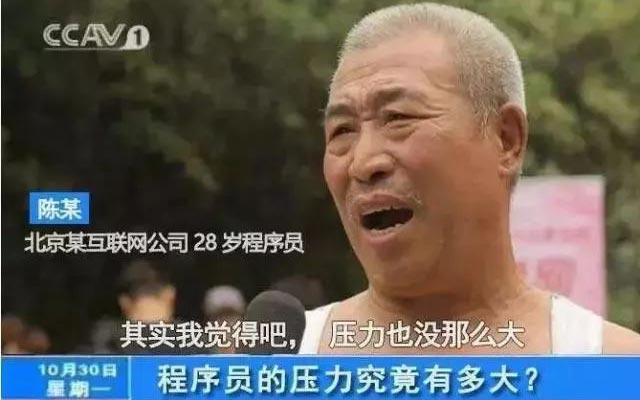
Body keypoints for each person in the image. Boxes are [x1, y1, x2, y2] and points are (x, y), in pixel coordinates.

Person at [301, 2, 640, 354]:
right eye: (342, 130)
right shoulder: (280, 364)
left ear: (506, 139)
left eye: (399, 117)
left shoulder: (613, 365)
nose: (363, 163)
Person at [202, 285, 246, 354]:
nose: (226, 322)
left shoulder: (255, 352)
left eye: (231, 315)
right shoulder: (199, 353)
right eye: (220, 316)